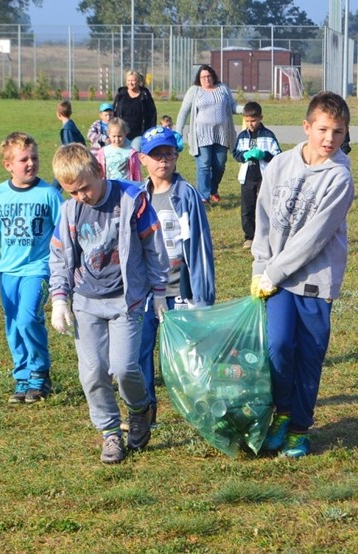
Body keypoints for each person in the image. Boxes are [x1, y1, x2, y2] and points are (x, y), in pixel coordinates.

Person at [49, 143, 169, 464]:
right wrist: (59, 299)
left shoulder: (132, 201)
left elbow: (154, 248)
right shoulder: (69, 211)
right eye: (71, 192)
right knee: (92, 373)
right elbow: (60, 257)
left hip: (125, 301)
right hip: (86, 301)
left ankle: (140, 408)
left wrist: (159, 292)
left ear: (100, 172)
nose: (81, 196)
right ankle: (110, 432)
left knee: (124, 367)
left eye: (85, 188)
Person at [251, 91, 355, 459]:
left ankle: (299, 428)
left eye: (338, 132)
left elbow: (315, 237)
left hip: (314, 282)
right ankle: (282, 413)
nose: (330, 139)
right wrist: (260, 267)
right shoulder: (279, 165)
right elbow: (263, 220)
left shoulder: (340, 177)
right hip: (275, 281)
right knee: (278, 347)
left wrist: (274, 271)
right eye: (323, 129)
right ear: (307, 127)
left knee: (310, 354)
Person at [0, 132, 63, 404]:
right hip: (8, 271)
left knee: (28, 318)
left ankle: (40, 372)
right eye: (24, 159)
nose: (31, 163)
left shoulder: (49, 194)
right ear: (8, 165)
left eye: (34, 157)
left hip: (39, 268)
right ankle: (22, 376)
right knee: (13, 325)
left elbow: (66, 232)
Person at [133, 125, 216, 429]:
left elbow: (201, 247)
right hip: (146, 293)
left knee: (187, 354)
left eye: (168, 154)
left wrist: (202, 296)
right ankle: (144, 413)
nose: (163, 161)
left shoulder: (187, 195)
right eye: (156, 155)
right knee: (140, 353)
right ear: (143, 159)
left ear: (176, 156)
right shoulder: (137, 197)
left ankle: (199, 410)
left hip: (180, 290)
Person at [175, 64, 243, 203]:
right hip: (201, 135)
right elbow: (183, 112)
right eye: (203, 77)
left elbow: (232, 106)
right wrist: (178, 132)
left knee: (220, 164)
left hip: (222, 134)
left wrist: (245, 109)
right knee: (204, 164)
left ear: (213, 76)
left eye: (208, 76)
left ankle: (213, 189)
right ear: (199, 79)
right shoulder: (194, 91)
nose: (206, 79)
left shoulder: (223, 89)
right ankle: (203, 196)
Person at [232, 101, 282, 250]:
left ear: (260, 118)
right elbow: (236, 153)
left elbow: (277, 155)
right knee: (247, 207)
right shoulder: (242, 136)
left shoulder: (268, 136)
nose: (250, 124)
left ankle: (266, 236)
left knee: (264, 206)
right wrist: (244, 155)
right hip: (247, 176)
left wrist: (264, 154)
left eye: (253, 120)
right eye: (247, 121)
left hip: (264, 177)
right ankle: (250, 237)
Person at [113, 70, 157, 149]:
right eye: (128, 80)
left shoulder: (145, 95)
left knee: (134, 153)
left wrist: (150, 132)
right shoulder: (121, 94)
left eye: (133, 80)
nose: (130, 83)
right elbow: (114, 112)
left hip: (139, 134)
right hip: (122, 133)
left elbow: (152, 115)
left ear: (138, 81)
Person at [96, 117, 141, 182]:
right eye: (114, 136)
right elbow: (98, 172)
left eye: (119, 136)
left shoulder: (131, 153)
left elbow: (137, 173)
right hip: (109, 187)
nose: (117, 139)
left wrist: (138, 188)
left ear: (125, 134)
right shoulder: (103, 152)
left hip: (126, 188)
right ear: (109, 134)